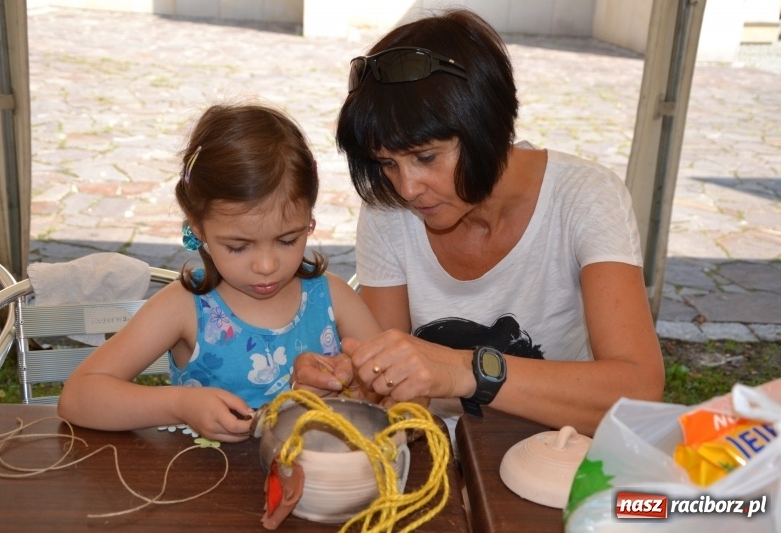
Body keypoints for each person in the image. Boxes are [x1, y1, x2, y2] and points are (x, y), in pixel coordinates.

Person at [293, 8, 664, 437]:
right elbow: (392, 394)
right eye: (386, 163)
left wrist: (465, 369)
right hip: (436, 449)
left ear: (486, 126)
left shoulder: (584, 198)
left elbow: (639, 392)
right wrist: (346, 382)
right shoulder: (388, 210)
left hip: (555, 453)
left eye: (426, 157)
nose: (408, 187)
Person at [58, 103, 381, 442]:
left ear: (309, 220)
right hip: (209, 486)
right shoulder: (184, 308)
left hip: (318, 486)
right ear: (197, 227)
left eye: (288, 240)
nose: (266, 266)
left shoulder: (332, 298)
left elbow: (398, 393)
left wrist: (356, 391)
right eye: (238, 247)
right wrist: (180, 404)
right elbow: (78, 396)